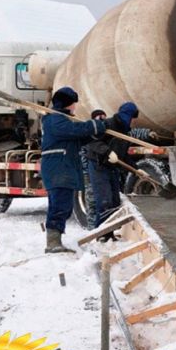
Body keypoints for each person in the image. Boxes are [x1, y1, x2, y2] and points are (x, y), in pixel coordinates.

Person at [41, 87, 105, 253]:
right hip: (58, 169)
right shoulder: (56, 120)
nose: (75, 107)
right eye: (74, 103)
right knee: (60, 206)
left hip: (62, 168)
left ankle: (55, 240)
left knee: (63, 205)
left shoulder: (61, 120)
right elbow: (75, 130)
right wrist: (93, 125)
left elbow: (77, 138)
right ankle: (53, 243)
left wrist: (96, 131)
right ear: (67, 103)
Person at [83, 102, 139, 240]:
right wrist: (107, 152)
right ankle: (101, 234)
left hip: (111, 168)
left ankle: (109, 233)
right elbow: (92, 142)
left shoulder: (125, 132)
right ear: (126, 115)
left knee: (114, 201)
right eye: (132, 117)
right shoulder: (107, 125)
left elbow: (124, 156)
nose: (132, 121)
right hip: (98, 166)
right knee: (104, 201)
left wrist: (138, 170)